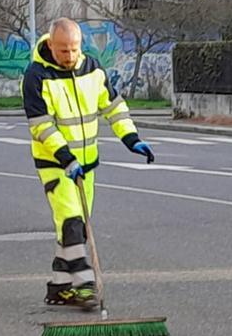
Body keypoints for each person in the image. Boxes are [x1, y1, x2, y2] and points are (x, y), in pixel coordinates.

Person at [23, 18, 155, 309]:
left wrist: (131, 138)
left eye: (73, 50)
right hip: (55, 165)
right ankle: (84, 286)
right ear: (50, 45)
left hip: (88, 164)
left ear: (80, 45)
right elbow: (41, 126)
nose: (69, 57)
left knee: (77, 228)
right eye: (62, 51)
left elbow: (113, 106)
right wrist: (66, 159)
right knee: (70, 222)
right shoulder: (36, 76)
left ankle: (59, 287)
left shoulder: (93, 69)